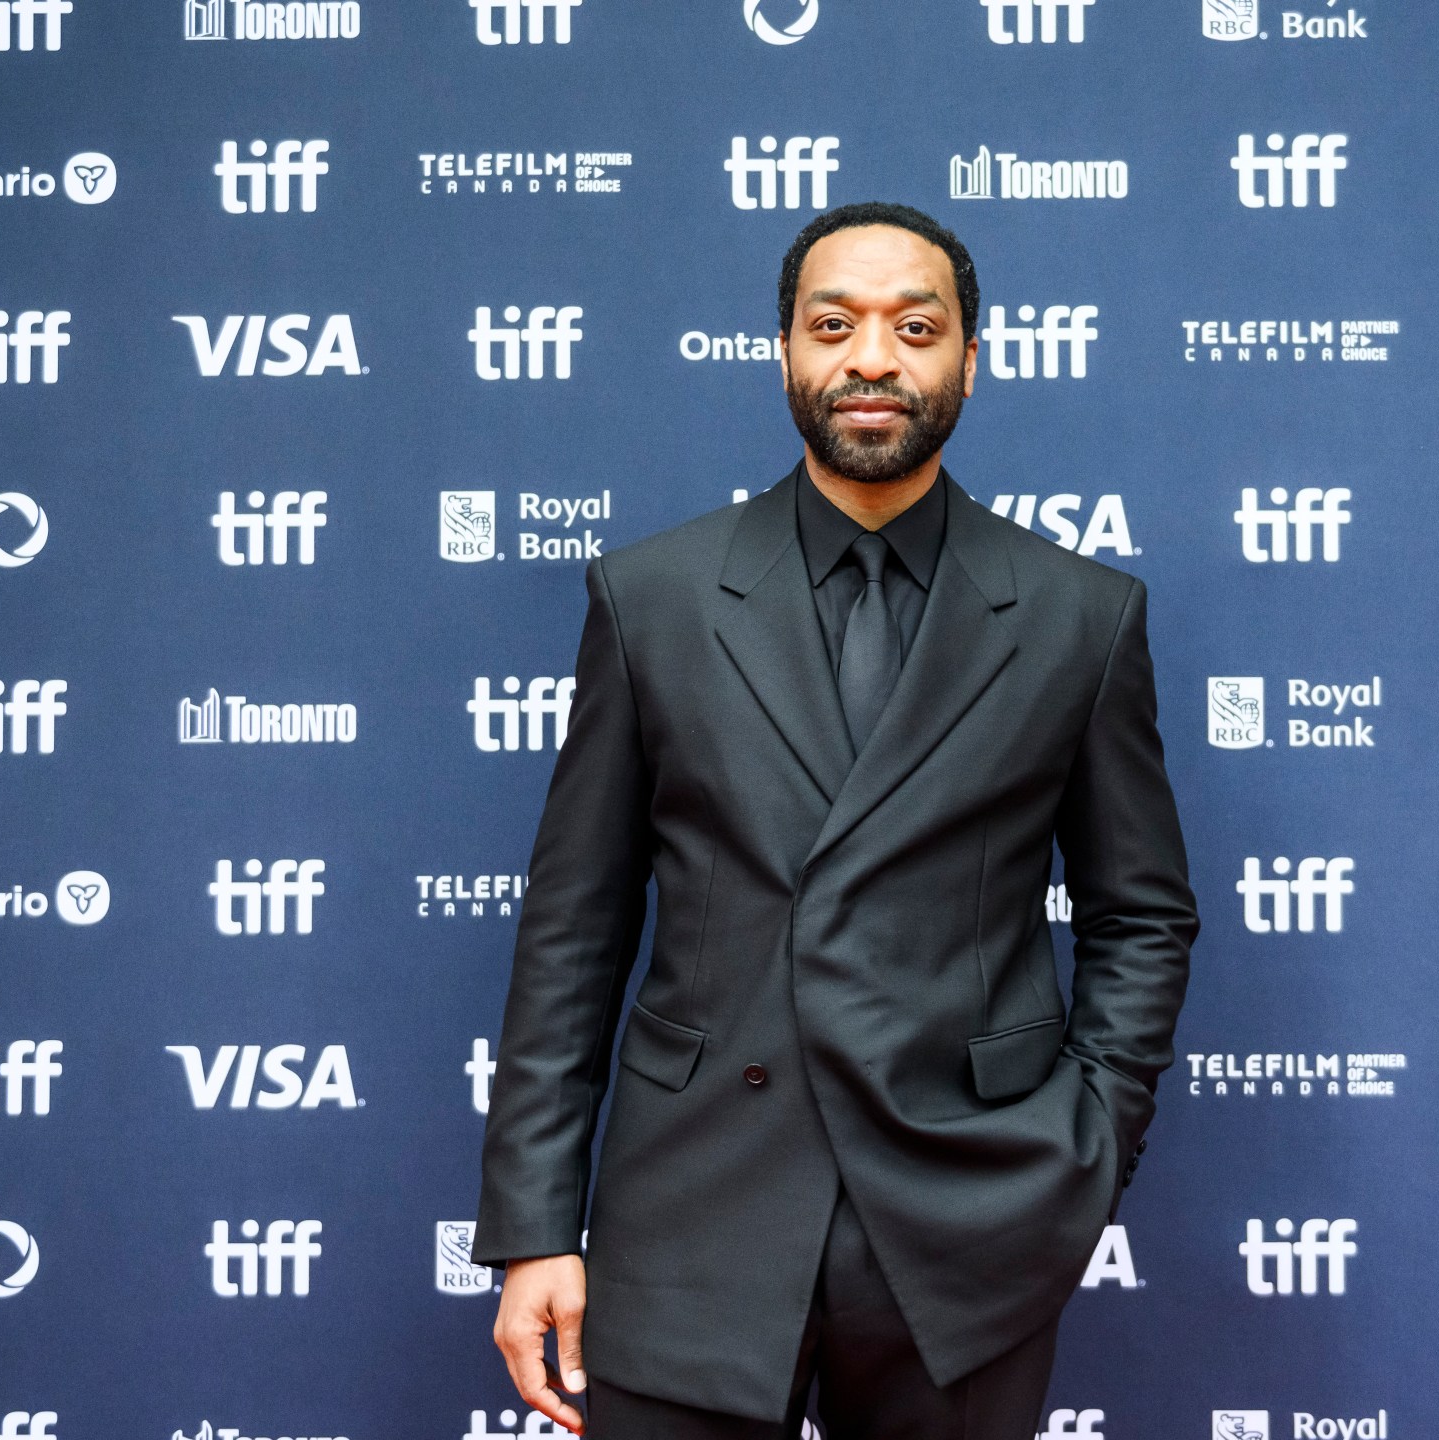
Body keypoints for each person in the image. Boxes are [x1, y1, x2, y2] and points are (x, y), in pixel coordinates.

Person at [475, 201, 1198, 1440]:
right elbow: (573, 927)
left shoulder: (1082, 615)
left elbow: (1141, 914)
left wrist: (1085, 1149)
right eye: (834, 325)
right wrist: (537, 1226)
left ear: (970, 359)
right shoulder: (653, 598)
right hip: (693, 1207)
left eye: (916, 327)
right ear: (785, 353)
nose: (873, 358)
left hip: (968, 1222)